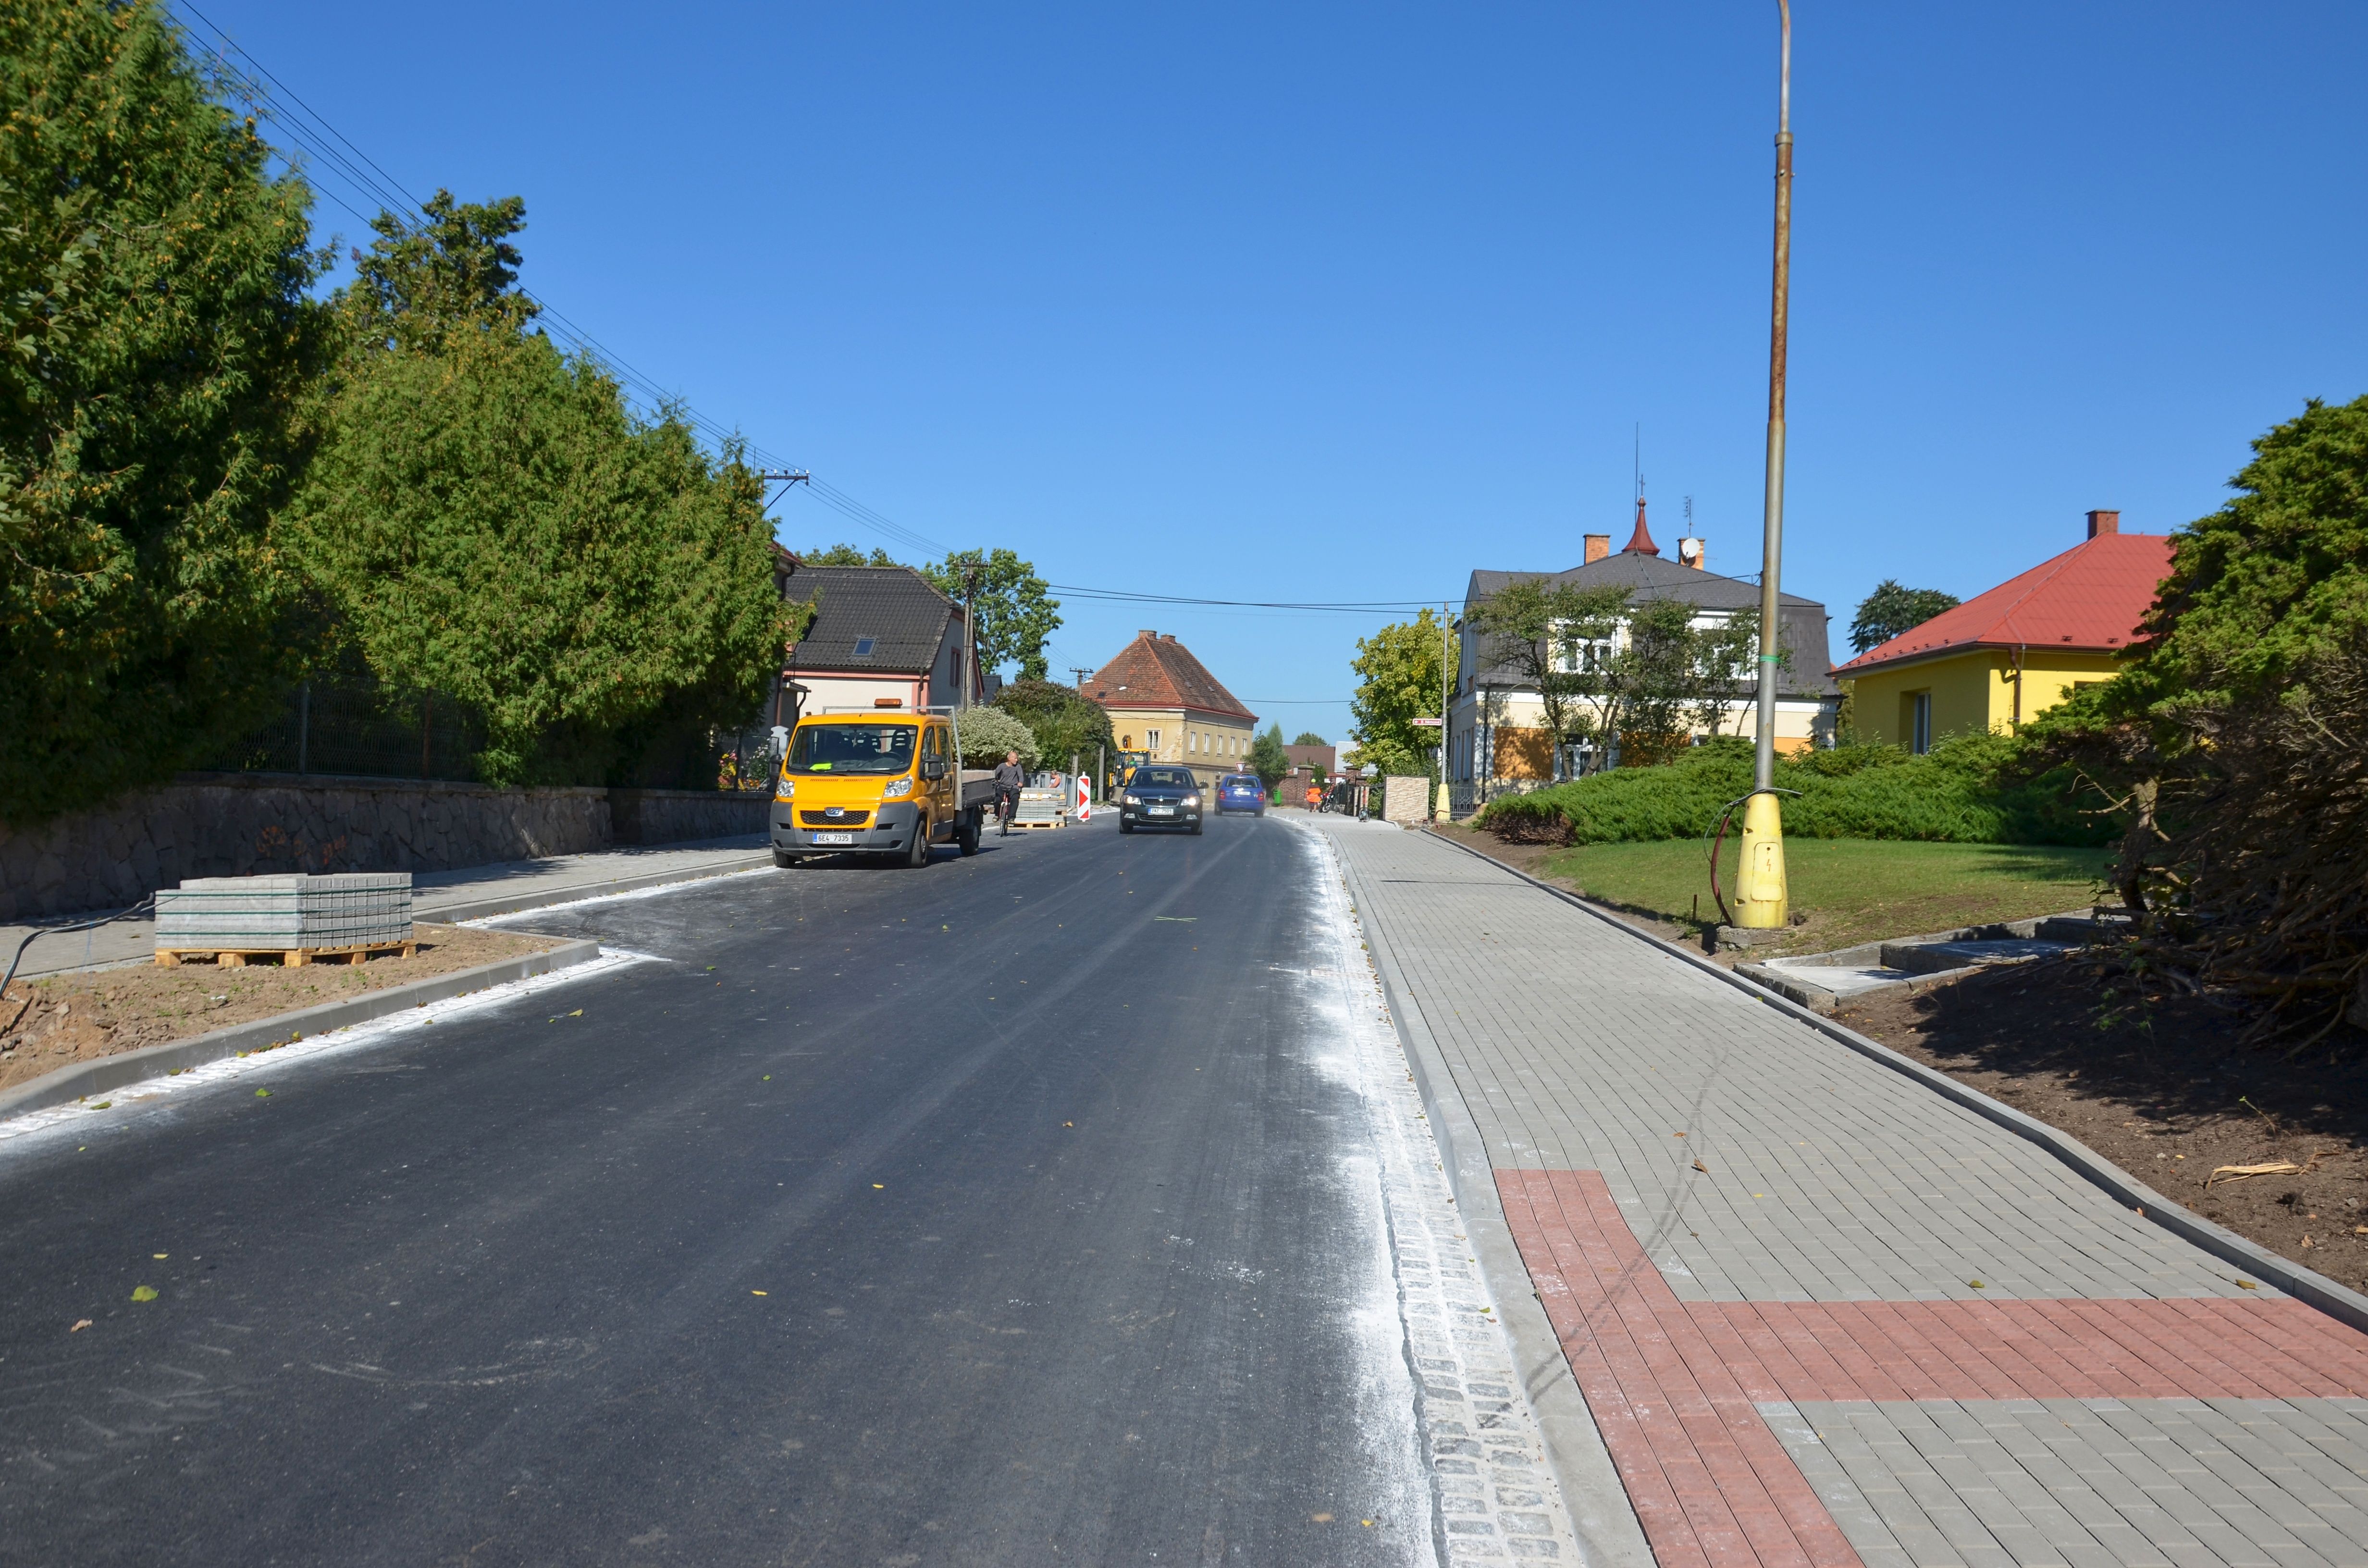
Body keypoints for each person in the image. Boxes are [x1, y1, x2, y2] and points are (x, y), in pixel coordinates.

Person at [993, 750, 1025, 835]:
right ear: (1009, 759)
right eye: (1015, 758)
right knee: (997, 799)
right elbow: (995, 774)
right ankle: (997, 814)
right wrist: (995, 781)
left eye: (1017, 758)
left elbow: (1021, 776)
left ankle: (1011, 819)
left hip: (1013, 787)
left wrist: (1021, 783)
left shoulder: (1018, 767)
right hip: (1002, 786)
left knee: (1015, 798)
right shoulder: (1002, 766)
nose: (1016, 760)